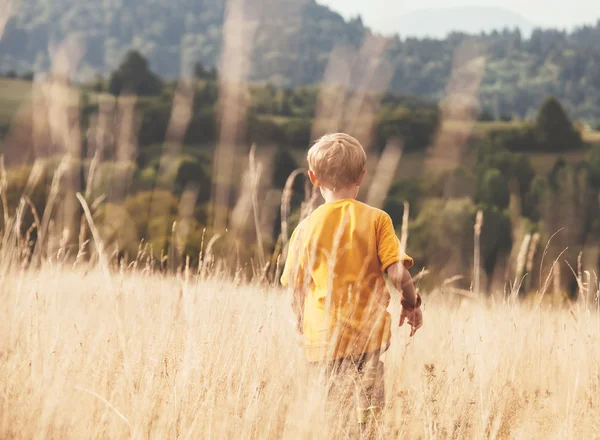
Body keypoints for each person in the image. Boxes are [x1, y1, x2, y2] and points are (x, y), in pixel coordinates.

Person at [281, 133, 423, 435]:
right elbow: (397, 273)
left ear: (313, 178)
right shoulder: (377, 219)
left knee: (336, 411)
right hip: (367, 334)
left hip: (323, 338)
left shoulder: (305, 228)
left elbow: (296, 286)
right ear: (362, 176)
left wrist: (300, 321)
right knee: (370, 405)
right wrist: (412, 303)